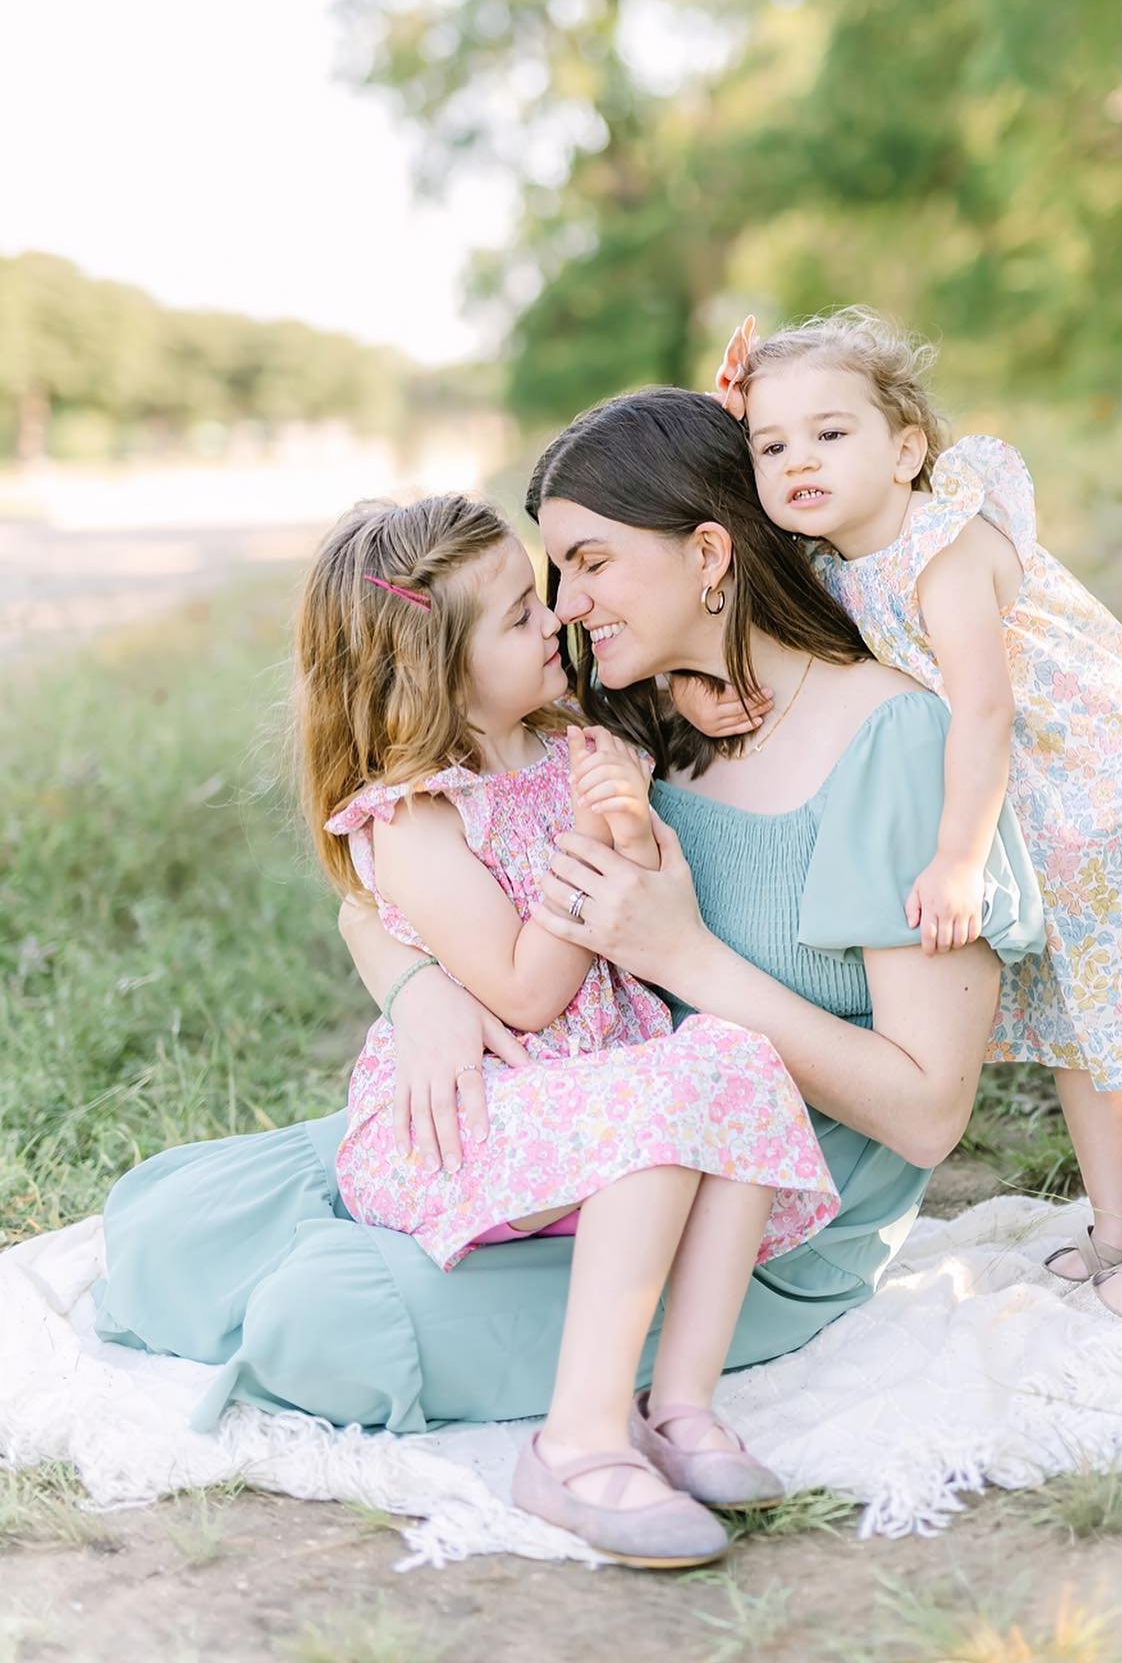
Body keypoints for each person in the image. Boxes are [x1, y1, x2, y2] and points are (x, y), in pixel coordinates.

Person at [94, 388, 1043, 1500]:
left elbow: (932, 1113)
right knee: (173, 1226)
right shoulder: (632, 703)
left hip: (766, 1193)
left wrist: (688, 959)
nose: (567, 606)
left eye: (589, 563)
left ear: (706, 555)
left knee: (323, 1317)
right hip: (579, 1104)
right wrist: (418, 993)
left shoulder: (893, 741)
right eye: (551, 578)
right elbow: (392, 877)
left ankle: (614, 1427)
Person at [293, 491, 840, 1566]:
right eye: (514, 618)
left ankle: (679, 1404)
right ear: (434, 673)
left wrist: (627, 825)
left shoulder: (564, 742)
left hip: (591, 1090)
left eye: (536, 598)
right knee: (656, 1107)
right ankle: (575, 1440)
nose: (553, 621)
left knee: (731, 1057)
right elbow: (525, 993)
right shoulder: (417, 817)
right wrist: (591, 838)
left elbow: (641, 907)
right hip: (466, 1122)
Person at [690, 308, 1122, 1318]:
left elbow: (985, 702)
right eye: (772, 445)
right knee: (1078, 1031)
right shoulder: (830, 559)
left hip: (1105, 787)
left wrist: (957, 862)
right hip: (1018, 801)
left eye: (831, 433)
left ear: (906, 448)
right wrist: (726, 411)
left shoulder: (940, 542)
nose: (797, 460)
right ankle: (1117, 1227)